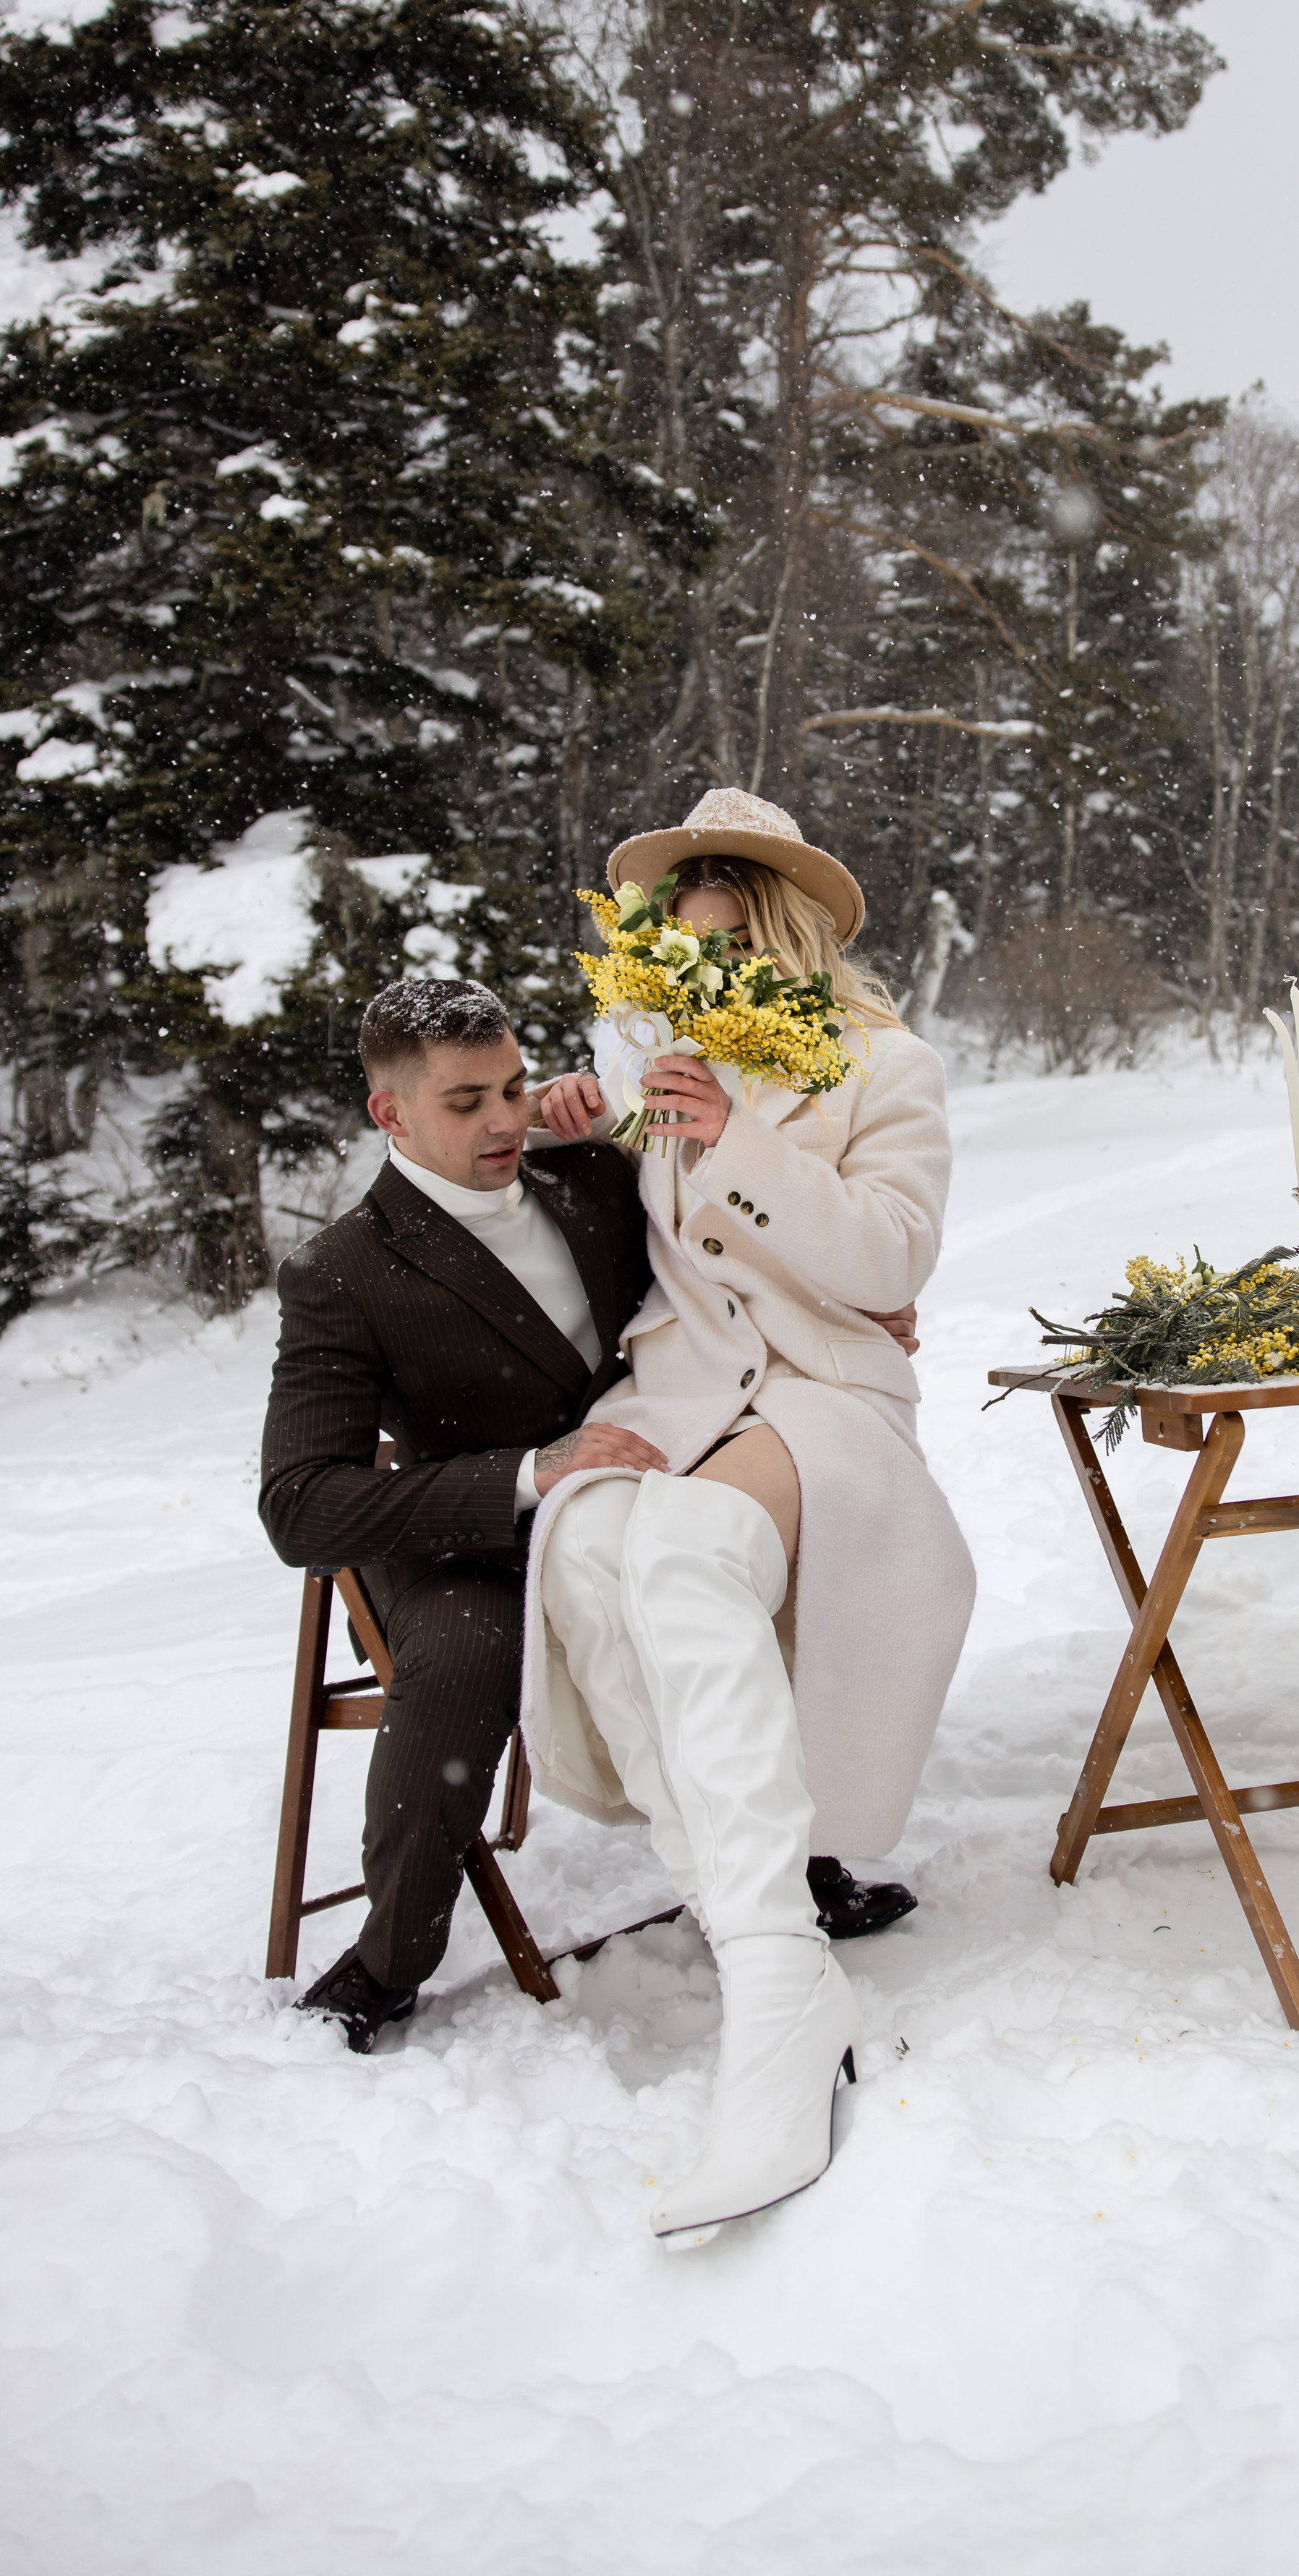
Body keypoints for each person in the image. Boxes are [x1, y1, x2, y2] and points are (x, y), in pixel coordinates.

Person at [524, 785, 976, 2239]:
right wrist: (578, 1137)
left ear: (775, 937)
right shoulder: (662, 1060)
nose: (693, 980)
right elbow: (663, 1247)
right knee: (587, 1545)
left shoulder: (883, 1064)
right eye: (678, 952)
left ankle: (773, 1985)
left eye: (719, 952)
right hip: (683, 1392)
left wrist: (737, 1139)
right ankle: (775, 1946)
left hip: (822, 1392)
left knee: (686, 1551)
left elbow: (888, 1254)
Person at [258, 979, 657, 2051]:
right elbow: (301, 1507)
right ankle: (388, 1963)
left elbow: (723, 1255)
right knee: (473, 1649)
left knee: (744, 1564)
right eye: (467, 1100)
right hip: (459, 1538)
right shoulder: (343, 1271)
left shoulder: (591, 1179)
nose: (504, 1121)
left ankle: (795, 1868)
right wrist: (528, 1474)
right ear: (391, 1114)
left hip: (631, 1500)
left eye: (517, 1087)